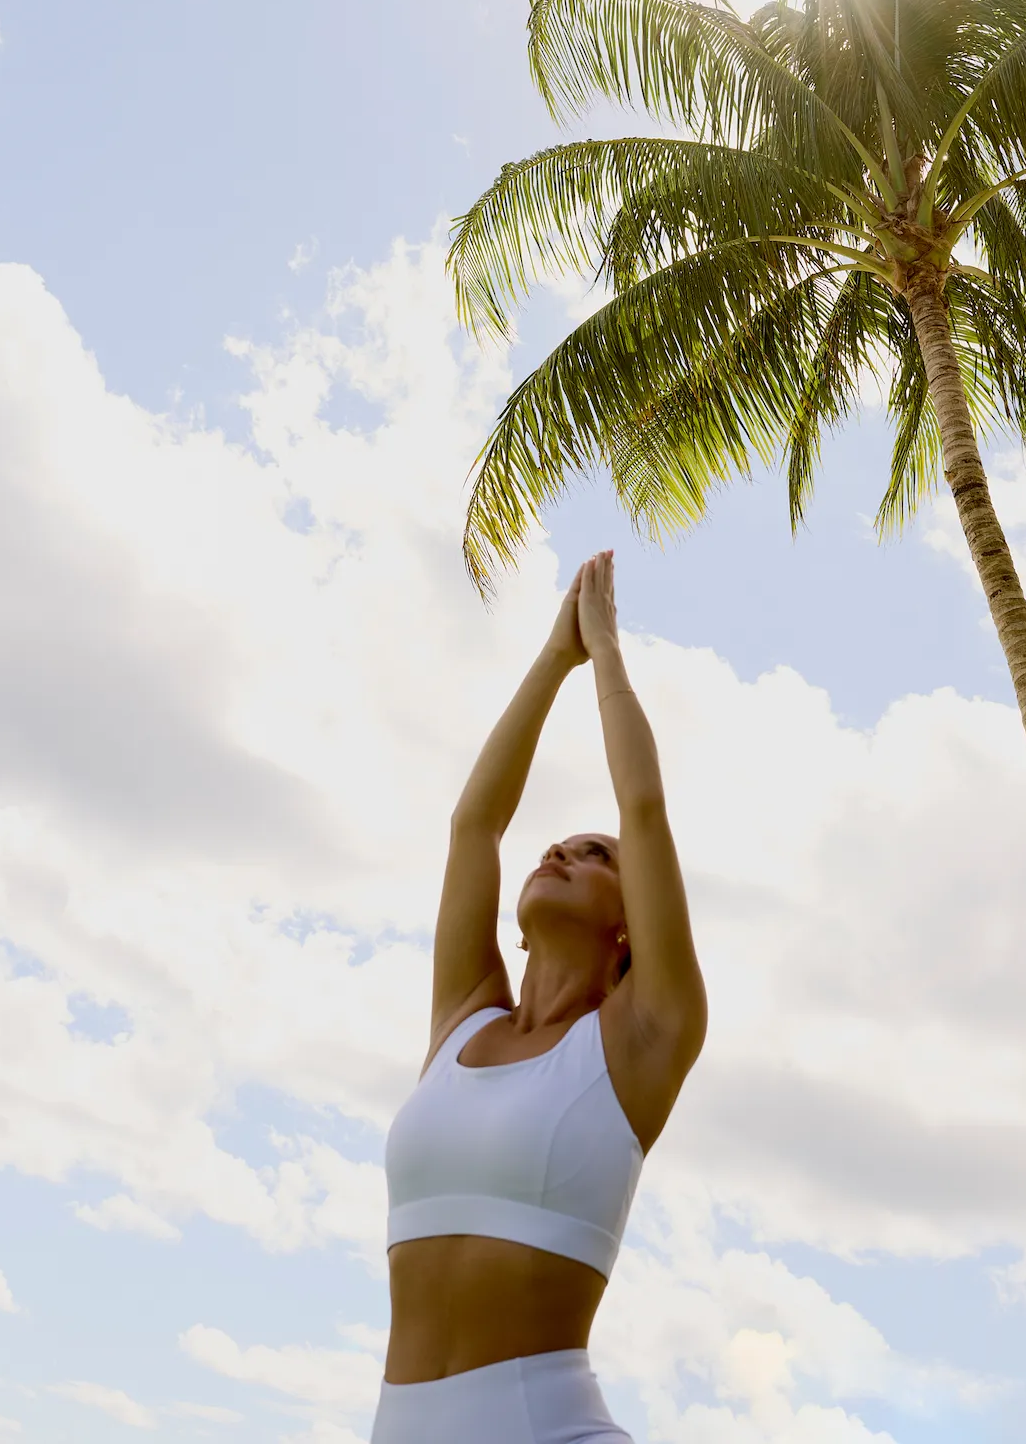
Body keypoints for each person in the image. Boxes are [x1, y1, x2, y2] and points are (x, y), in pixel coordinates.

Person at [372, 551, 708, 1444]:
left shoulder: (644, 1039)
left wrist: (603, 656)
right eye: (554, 845)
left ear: (632, 928)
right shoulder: (462, 1021)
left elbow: (644, 808)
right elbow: (473, 824)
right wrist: (550, 659)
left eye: (593, 855)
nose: (559, 852)